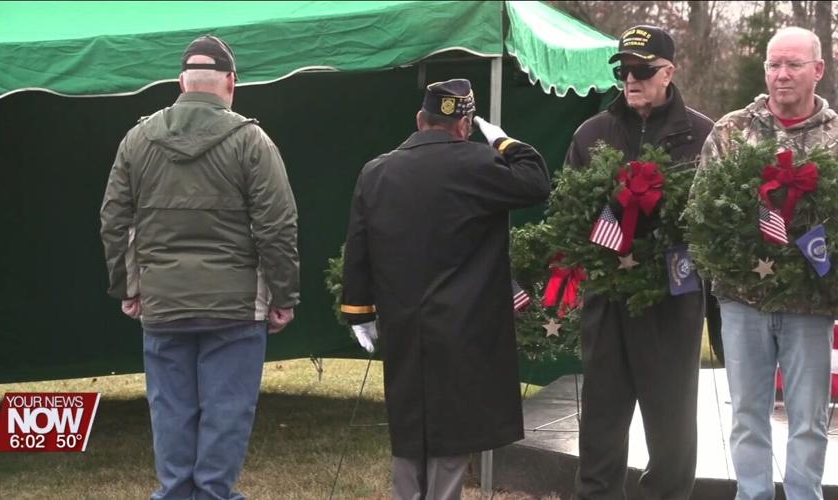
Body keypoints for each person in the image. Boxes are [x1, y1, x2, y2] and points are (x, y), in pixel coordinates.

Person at [99, 35, 299, 500]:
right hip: (235, 306)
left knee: (170, 409)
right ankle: (213, 493)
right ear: (231, 83)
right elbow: (277, 225)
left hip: (163, 302)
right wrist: (284, 296)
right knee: (227, 410)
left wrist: (129, 287)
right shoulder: (252, 141)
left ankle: (173, 492)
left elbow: (114, 221)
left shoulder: (137, 139)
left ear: (180, 82)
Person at [340, 78, 549, 499]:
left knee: (408, 424)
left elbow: (358, 248)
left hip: (402, 322)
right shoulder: (479, 163)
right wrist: (504, 142)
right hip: (464, 323)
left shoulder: (377, 171)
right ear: (465, 125)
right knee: (452, 433)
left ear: (420, 120)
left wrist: (359, 311)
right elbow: (536, 180)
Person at [564, 25, 713, 499]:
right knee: (602, 423)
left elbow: (715, 221)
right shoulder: (593, 134)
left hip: (672, 299)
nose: (630, 79)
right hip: (607, 298)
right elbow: (568, 213)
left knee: (671, 428)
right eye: (623, 70)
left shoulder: (703, 135)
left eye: (643, 71)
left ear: (668, 73)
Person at [694, 26, 836, 500]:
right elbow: (701, 208)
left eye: (793, 64)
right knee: (748, 415)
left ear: (818, 69)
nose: (781, 74)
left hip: (810, 305)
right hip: (742, 300)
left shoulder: (835, 140)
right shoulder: (732, 130)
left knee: (809, 420)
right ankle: (751, 495)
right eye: (774, 64)